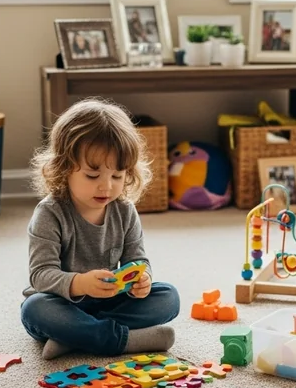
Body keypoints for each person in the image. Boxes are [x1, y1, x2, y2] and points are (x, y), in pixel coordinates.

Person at [20, 99, 180, 359]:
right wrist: (80, 283)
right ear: (64, 169)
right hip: (62, 302)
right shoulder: (49, 213)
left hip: (109, 299)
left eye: (117, 176)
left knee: (168, 297)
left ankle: (76, 337)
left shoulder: (125, 211)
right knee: (35, 309)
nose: (106, 187)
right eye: (92, 176)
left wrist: (142, 280)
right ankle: (120, 340)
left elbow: (137, 259)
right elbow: (40, 275)